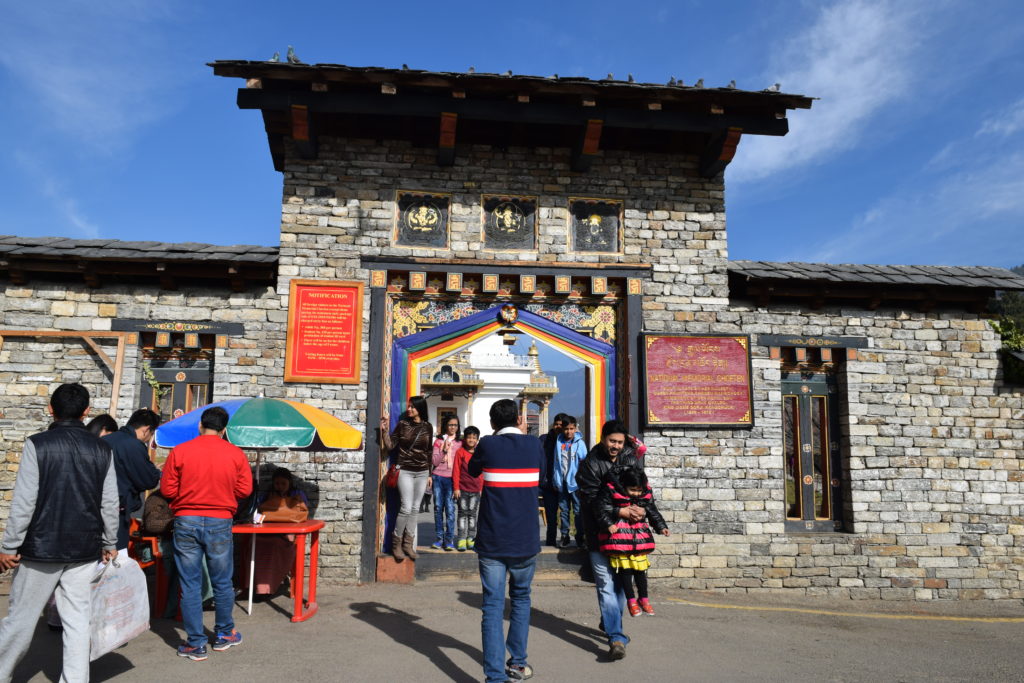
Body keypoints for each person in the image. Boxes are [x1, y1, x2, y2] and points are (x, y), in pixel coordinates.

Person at [0, 383, 119, 681]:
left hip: (41, 547)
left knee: (21, 620)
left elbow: (25, 502)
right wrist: (110, 541)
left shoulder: (37, 444)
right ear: (87, 412)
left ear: (50, 410)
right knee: (78, 620)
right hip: (84, 547)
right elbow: (109, 501)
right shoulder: (103, 449)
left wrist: (10, 545)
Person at [161, 406, 253, 661]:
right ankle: (224, 634)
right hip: (220, 520)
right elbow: (245, 490)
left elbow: (168, 489)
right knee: (223, 581)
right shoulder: (235, 454)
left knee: (190, 583)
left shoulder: (180, 451)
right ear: (224, 430)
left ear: (200, 426)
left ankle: (195, 643)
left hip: (186, 520)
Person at [468, 399, 545, 683]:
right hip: (525, 538)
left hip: (492, 539)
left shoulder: (487, 444)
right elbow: (543, 478)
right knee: (522, 599)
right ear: (519, 419)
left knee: (492, 604)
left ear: (492, 423)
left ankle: (495, 677)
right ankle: (518, 663)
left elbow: (473, 471)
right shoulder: (534, 445)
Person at [576, 419, 644, 661]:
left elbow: (640, 487)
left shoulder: (630, 458)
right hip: (599, 533)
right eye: (612, 441)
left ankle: (609, 621)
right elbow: (592, 501)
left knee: (622, 587)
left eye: (620, 442)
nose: (615, 446)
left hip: (626, 537)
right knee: (606, 585)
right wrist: (619, 512)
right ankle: (616, 637)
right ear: (603, 439)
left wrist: (642, 508)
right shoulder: (590, 465)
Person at [596, 464, 669, 617]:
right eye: (632, 490)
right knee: (625, 571)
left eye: (639, 491)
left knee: (641, 570)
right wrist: (608, 523)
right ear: (623, 486)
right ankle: (631, 601)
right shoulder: (610, 491)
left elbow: (652, 511)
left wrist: (661, 526)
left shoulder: (645, 496)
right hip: (619, 539)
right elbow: (601, 508)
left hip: (638, 539)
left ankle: (644, 599)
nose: (636, 494)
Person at [379, 396, 433, 561]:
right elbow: (390, 446)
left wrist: (430, 473)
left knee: (416, 508)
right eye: (408, 406)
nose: (409, 409)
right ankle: (396, 543)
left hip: (422, 471)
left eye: (412, 407)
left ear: (420, 408)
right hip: (405, 471)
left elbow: (429, 451)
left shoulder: (428, 427)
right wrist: (384, 430)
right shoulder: (402, 425)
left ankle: (408, 544)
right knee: (406, 507)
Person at [241, 467, 310, 595]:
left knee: (277, 547)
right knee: (254, 545)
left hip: (285, 535)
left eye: (283, 483)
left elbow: (304, 513)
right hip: (267, 533)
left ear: (290, 483)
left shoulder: (297, 495)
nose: (280, 486)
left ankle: (267, 588)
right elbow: (257, 512)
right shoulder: (268, 495)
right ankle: (257, 587)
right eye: (277, 483)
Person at [105, 408, 162, 551]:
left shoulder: (105, 440)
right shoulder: (133, 445)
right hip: (118, 508)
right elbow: (148, 480)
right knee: (115, 556)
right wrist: (156, 471)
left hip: (97, 505)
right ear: (147, 429)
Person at [553, 415, 587, 548]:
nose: (569, 432)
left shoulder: (580, 443)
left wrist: (582, 481)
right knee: (564, 511)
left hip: (576, 484)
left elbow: (584, 462)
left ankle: (580, 537)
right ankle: (564, 536)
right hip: (562, 483)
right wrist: (556, 480)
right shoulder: (559, 442)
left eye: (571, 428)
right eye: (566, 429)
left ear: (575, 428)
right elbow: (556, 463)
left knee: (578, 511)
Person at [430, 415, 461, 551]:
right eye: (450, 425)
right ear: (445, 426)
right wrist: (444, 450)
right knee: (437, 508)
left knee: (450, 510)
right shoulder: (438, 441)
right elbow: (435, 462)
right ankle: (439, 539)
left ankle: (449, 540)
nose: (452, 427)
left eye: (455, 425)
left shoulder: (461, 443)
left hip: (451, 479)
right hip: (438, 477)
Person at [538, 413, 568, 546]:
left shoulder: (568, 440)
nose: (558, 427)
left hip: (565, 484)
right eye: (556, 424)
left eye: (562, 425)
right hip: (548, 483)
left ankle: (565, 539)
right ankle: (550, 541)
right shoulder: (544, 439)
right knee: (551, 515)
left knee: (565, 514)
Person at [451, 425, 482, 551]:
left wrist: (481, 488)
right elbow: (456, 471)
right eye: (469, 437)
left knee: (473, 515)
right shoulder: (460, 452)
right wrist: (456, 488)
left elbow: (482, 472)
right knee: (463, 514)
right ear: (465, 439)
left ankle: (471, 538)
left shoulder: (480, 453)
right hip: (463, 489)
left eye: (474, 438)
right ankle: (462, 539)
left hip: (476, 490)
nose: (471, 440)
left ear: (477, 440)